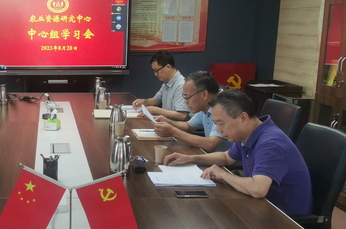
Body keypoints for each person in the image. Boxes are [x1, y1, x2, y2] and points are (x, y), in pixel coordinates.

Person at [164, 90, 312, 217]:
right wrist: (189, 158)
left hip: (285, 218)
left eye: (221, 123)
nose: (219, 130)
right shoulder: (249, 133)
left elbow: (258, 189)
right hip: (260, 206)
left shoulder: (270, 143)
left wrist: (223, 174)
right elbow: (226, 157)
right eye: (216, 124)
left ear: (243, 118)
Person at [153, 71, 230, 152]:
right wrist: (168, 122)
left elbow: (211, 144)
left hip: (227, 159)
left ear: (204, 94)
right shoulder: (204, 105)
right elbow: (189, 126)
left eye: (187, 97)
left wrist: (173, 132)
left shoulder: (223, 106)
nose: (185, 102)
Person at [131, 50, 190, 121]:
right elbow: (156, 100)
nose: (155, 74)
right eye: (154, 71)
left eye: (156, 70)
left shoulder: (181, 85)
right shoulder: (166, 82)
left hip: (175, 126)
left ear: (168, 67)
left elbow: (182, 115)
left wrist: (155, 110)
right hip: (165, 124)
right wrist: (144, 102)